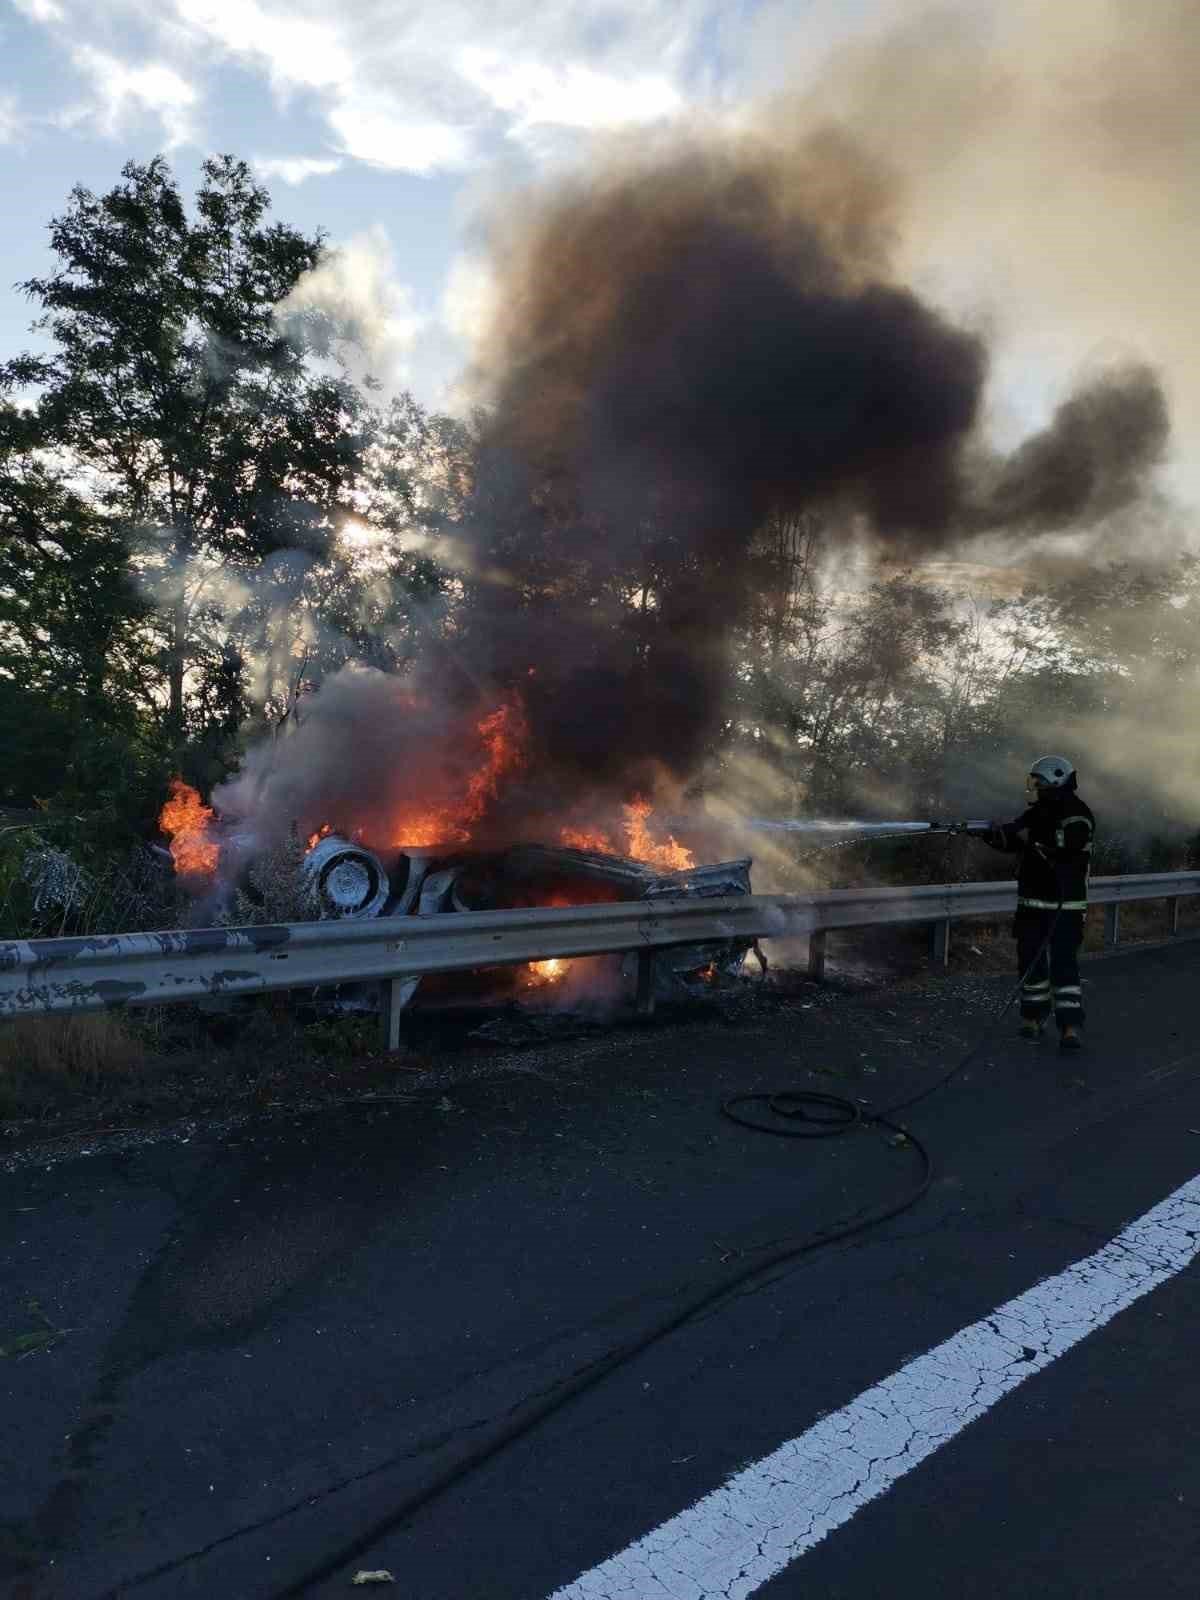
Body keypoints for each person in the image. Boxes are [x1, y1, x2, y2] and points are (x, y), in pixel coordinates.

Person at [984, 756, 1095, 1049]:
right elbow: (1019, 844)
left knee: (1063, 966)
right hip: (1032, 904)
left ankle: (1069, 1027)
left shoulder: (1077, 815)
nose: (1035, 787)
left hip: (1065, 906)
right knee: (1030, 964)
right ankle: (1033, 1018)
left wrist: (1032, 842)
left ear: (1056, 779)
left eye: (1040, 781)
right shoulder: (1035, 813)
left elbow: (1065, 850)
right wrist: (992, 835)